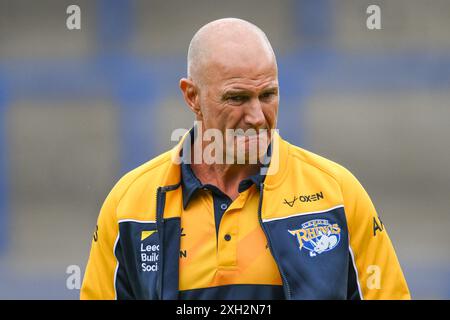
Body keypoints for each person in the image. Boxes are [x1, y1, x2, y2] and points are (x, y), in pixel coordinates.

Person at [81, 18, 410, 300]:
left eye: (268, 95)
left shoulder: (336, 195)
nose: (256, 116)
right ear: (192, 96)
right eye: (237, 98)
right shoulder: (129, 205)